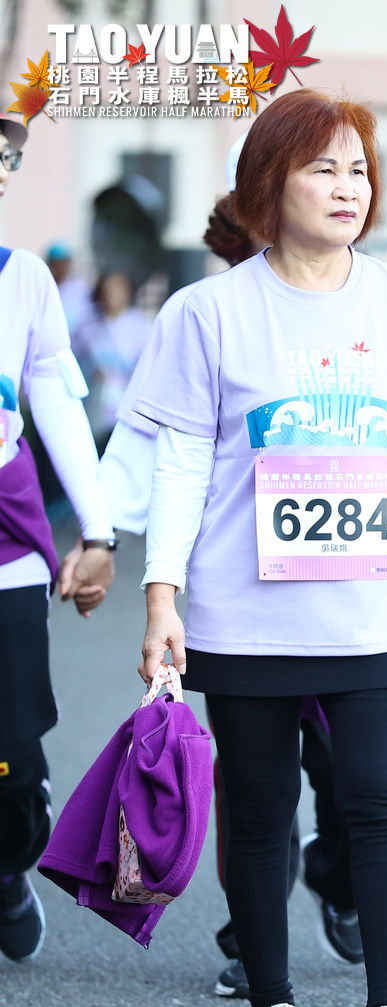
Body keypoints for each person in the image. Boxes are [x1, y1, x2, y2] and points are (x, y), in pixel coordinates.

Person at [130, 90, 387, 1007]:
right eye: (322, 168)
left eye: (359, 170)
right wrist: (162, 594)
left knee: (379, 803)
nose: (347, 188)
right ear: (267, 183)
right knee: (258, 813)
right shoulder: (207, 313)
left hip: (378, 611)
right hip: (246, 615)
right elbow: (181, 464)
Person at [60, 181, 364, 991]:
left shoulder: (361, 306)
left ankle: (338, 873)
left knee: (351, 769)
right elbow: (147, 435)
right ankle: (250, 934)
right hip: (245, 591)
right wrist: (102, 535)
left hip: (347, 594)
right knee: (252, 779)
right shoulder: (202, 315)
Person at [0, 114, 115, 962]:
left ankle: (7, 863)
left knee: (11, 756)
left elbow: (57, 402)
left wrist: (98, 528)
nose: (2, 167)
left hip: (5, 540)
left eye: (6, 155)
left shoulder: (25, 279)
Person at [73, 269, 152, 448]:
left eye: (118, 289)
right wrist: (90, 371)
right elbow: (74, 362)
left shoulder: (141, 326)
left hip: (128, 412)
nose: (112, 295)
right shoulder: (86, 327)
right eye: (108, 289)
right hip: (93, 410)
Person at [44, 241, 93, 339]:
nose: (62, 268)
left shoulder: (80, 288)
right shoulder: (45, 287)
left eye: (65, 263)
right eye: (58, 264)